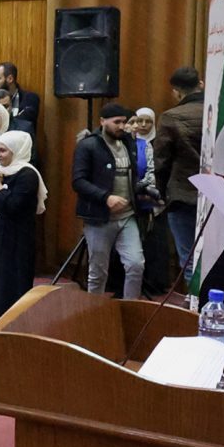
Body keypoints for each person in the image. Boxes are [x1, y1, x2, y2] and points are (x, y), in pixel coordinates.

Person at [71, 100, 145, 300]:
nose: (122, 126)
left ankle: (131, 309)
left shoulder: (128, 143)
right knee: (98, 272)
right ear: (102, 121)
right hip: (99, 218)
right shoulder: (88, 145)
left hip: (127, 216)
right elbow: (78, 181)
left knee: (136, 264)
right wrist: (106, 197)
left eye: (124, 122)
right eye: (116, 122)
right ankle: (94, 311)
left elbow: (131, 176)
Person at [0, 131, 44, 327]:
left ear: (16, 150)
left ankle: (11, 323)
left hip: (16, 238)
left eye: (3, 151)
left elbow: (13, 206)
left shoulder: (28, 174)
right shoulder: (0, 170)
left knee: (11, 281)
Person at [150, 64, 206, 274]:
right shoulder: (219, 112)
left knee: (189, 259)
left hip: (183, 195)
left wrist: (161, 192)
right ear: (201, 84)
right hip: (219, 194)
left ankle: (195, 295)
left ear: (176, 92)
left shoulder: (170, 117)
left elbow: (161, 161)